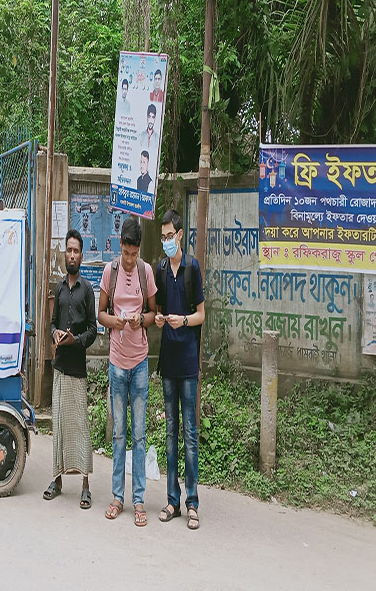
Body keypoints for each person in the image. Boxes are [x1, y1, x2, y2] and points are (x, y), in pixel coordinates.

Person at [99, 218, 157, 527]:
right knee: (119, 433)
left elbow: (153, 313)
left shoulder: (146, 273)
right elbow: (101, 314)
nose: (130, 259)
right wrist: (117, 322)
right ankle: (117, 497)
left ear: (139, 250)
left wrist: (139, 321)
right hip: (117, 362)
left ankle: (138, 500)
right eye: (126, 253)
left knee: (140, 433)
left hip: (140, 362)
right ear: (120, 245)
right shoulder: (110, 272)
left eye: (134, 254)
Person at [154, 209, 205, 530]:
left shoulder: (192, 268)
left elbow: (201, 314)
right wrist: (160, 319)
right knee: (170, 433)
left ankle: (192, 502)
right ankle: (172, 500)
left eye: (170, 236)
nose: (166, 241)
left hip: (188, 360)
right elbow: (157, 310)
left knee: (190, 433)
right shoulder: (160, 269)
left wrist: (183, 320)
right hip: (167, 360)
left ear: (181, 234)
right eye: (162, 237)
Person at [43, 230, 98, 509]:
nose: (72, 255)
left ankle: (85, 484)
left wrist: (75, 340)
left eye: (76, 251)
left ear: (81, 256)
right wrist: (54, 335)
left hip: (77, 369)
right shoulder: (60, 288)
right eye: (69, 251)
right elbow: (52, 322)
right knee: (59, 426)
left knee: (80, 427)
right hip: (59, 367)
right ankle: (57, 479)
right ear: (65, 254)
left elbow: (93, 330)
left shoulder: (87, 289)